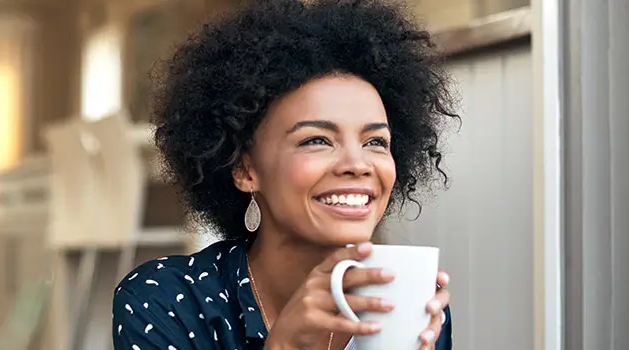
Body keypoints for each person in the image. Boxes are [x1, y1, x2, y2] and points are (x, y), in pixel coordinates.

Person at [113, 0, 459, 349]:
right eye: (317, 140)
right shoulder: (166, 301)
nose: (358, 163)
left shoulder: (413, 302)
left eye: (375, 141)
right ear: (245, 169)